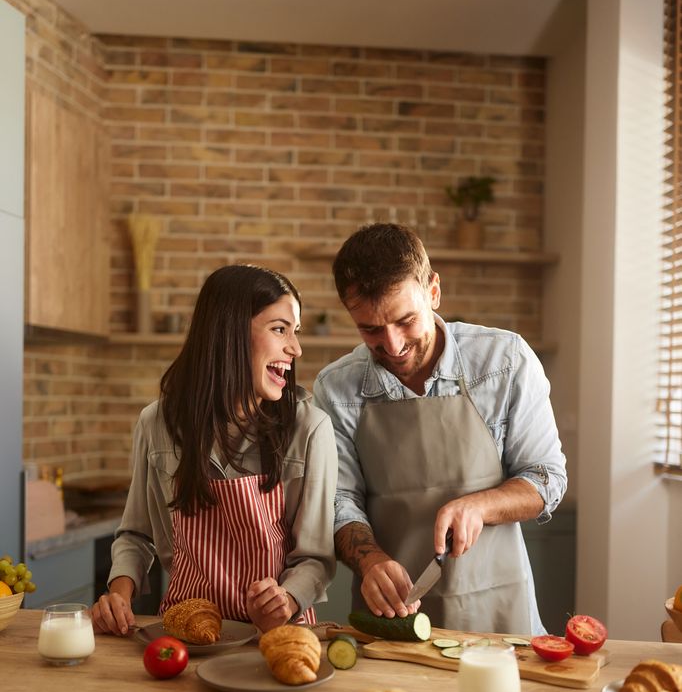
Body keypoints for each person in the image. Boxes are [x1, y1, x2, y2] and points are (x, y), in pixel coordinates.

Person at [313, 223, 567, 637]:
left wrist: (479, 506)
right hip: (393, 618)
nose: (392, 345)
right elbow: (340, 500)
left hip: (501, 617)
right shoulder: (336, 388)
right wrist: (369, 560)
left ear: (433, 291)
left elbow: (546, 478)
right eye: (371, 329)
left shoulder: (505, 362)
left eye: (406, 320)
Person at [93, 264, 337, 637]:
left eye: (296, 331)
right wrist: (119, 595)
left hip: (276, 638)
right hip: (185, 635)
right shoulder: (156, 424)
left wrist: (286, 599)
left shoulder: (310, 428)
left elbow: (315, 558)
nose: (295, 348)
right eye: (279, 329)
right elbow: (136, 536)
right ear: (230, 332)